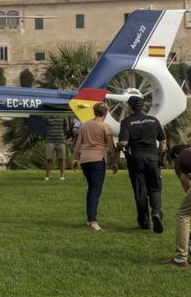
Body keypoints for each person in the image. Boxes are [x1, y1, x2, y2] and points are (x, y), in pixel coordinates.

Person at [118, 96, 167, 233]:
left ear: (130, 107)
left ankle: (144, 221)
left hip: (137, 159)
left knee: (140, 190)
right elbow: (163, 142)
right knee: (155, 188)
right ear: (142, 106)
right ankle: (156, 212)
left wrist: (117, 148)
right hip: (153, 158)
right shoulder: (154, 120)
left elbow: (123, 143)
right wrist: (160, 157)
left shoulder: (127, 122)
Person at [71, 103, 119, 231]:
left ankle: (89, 219)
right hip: (98, 160)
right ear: (105, 113)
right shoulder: (105, 126)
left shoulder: (84, 125)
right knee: (95, 190)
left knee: (91, 189)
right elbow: (110, 146)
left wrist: (75, 159)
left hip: (85, 160)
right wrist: (114, 161)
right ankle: (92, 221)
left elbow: (77, 144)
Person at [162, 144, 191, 268]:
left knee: (183, 214)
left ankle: (180, 258)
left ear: (175, 155)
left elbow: (186, 185)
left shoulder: (179, 161)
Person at [45, 116, 69, 181]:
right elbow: (43, 127)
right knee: (49, 159)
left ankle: (62, 176)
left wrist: (61, 133)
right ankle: (47, 176)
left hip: (60, 140)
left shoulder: (64, 116)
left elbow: (67, 128)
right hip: (50, 140)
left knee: (62, 159)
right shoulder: (46, 115)